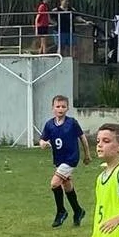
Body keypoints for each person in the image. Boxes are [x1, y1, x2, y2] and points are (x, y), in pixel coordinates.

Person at [38, 94, 91, 228]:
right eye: (58, 106)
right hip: (59, 160)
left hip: (71, 158)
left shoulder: (72, 123)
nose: (60, 109)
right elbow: (42, 140)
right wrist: (43, 144)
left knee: (55, 184)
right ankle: (78, 211)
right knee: (67, 185)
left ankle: (61, 211)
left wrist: (87, 155)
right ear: (53, 108)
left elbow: (82, 138)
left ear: (67, 108)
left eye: (63, 106)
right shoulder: (49, 124)